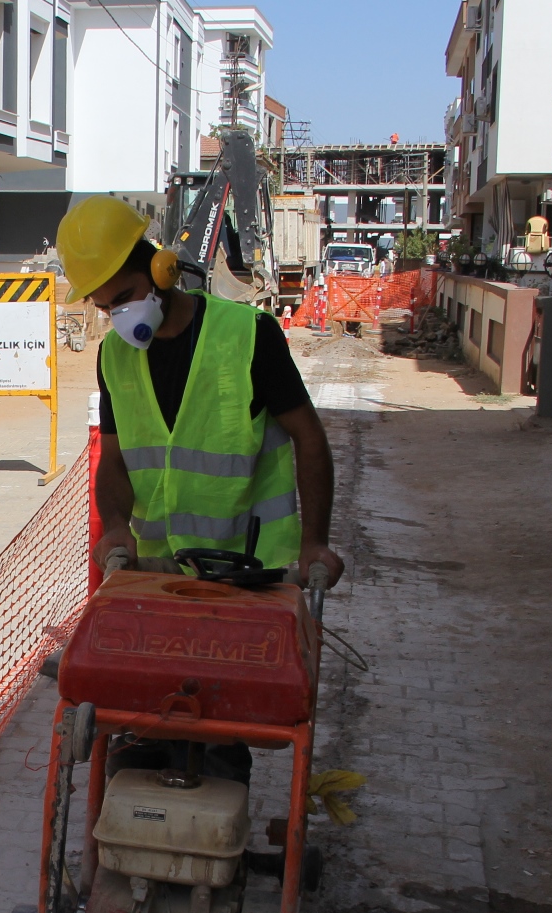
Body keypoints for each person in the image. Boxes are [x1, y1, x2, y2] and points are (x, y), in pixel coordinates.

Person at [56, 195, 346, 781]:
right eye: (105, 304)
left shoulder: (249, 336)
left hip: (244, 580)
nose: (118, 313)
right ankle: (131, 856)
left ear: (160, 271)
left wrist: (314, 541)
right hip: (155, 583)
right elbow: (113, 460)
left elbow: (309, 439)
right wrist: (115, 525)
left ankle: (214, 859)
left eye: (124, 295)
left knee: (219, 737)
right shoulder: (116, 356)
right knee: (137, 733)